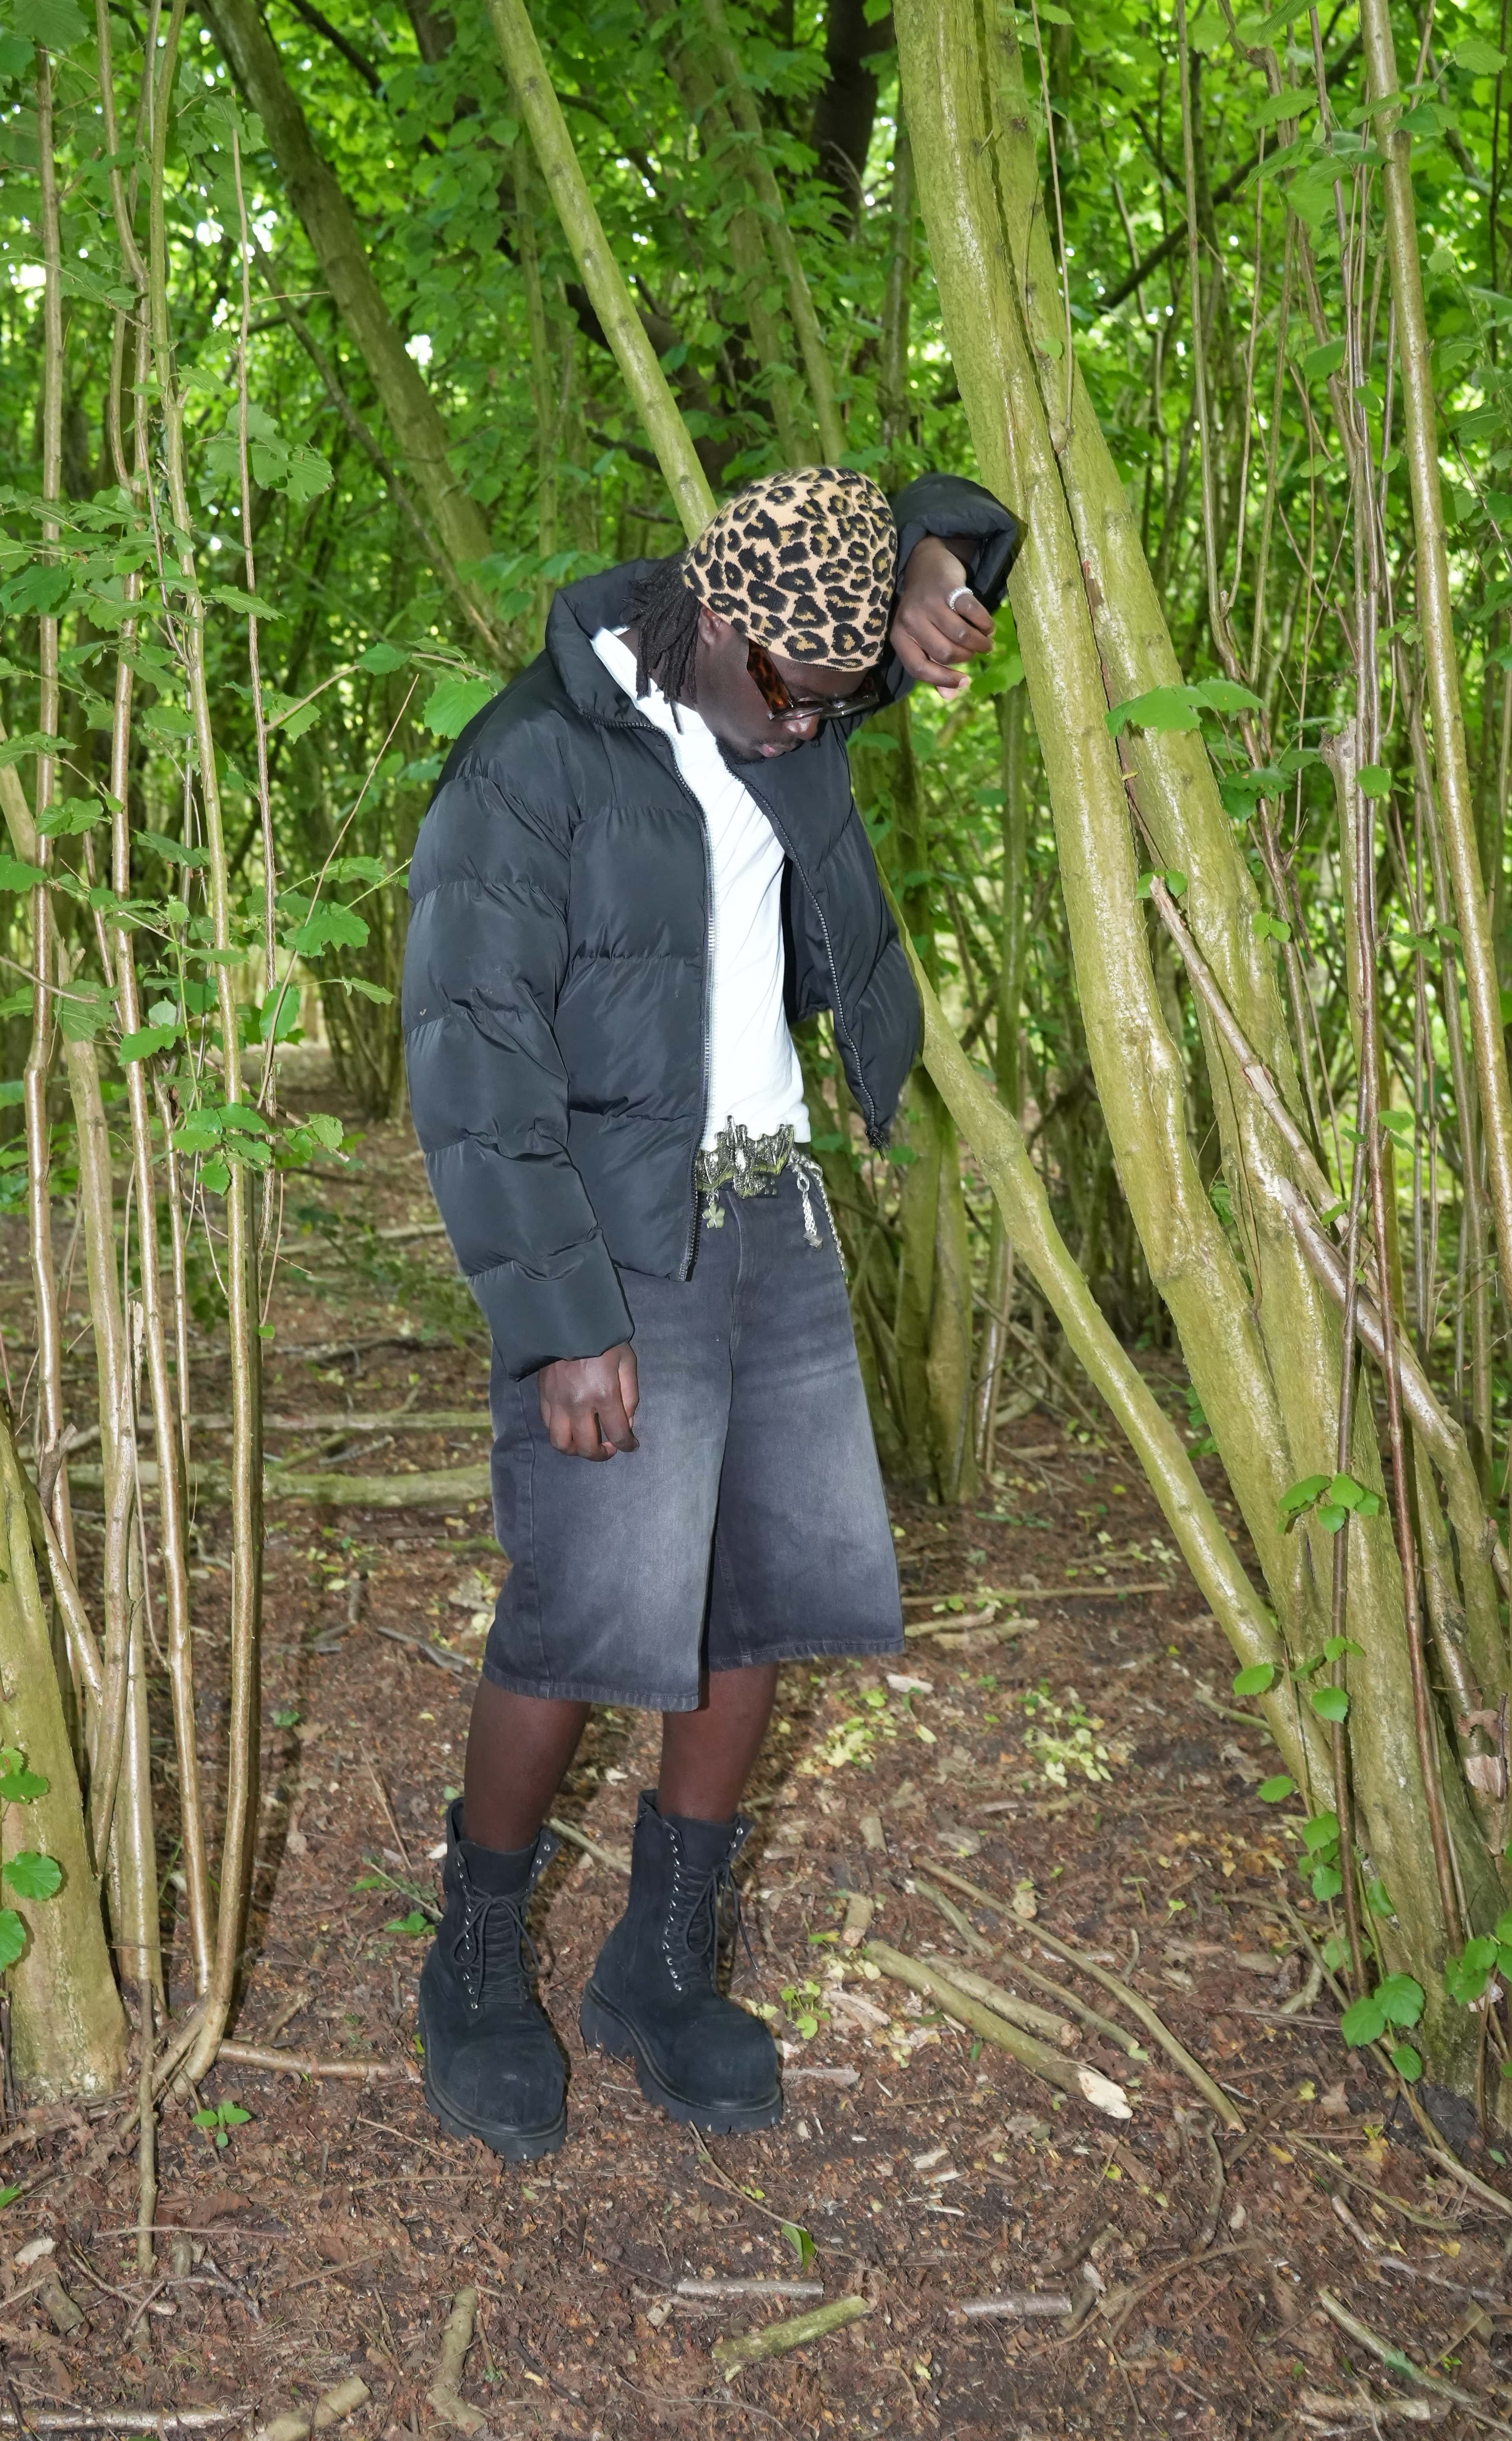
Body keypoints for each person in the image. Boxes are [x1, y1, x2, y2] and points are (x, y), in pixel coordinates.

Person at [401, 465, 1021, 2160]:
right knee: (585, 1611)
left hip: (777, 1215)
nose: (820, 729)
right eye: (807, 697)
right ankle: (473, 1954)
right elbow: (470, 1057)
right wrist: (558, 1317)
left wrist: (939, 569)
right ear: (723, 632)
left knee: (754, 1610)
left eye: (845, 697)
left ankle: (659, 1963)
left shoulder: (787, 680)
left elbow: (941, 515)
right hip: (616, 1246)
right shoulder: (532, 765)